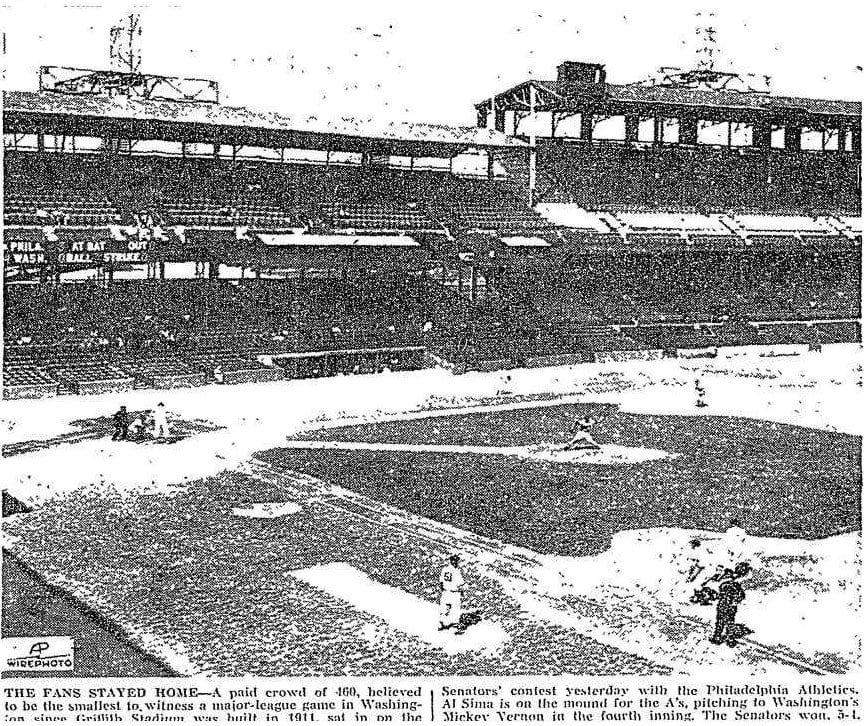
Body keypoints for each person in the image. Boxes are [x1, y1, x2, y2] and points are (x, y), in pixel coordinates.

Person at [709, 562, 752, 647]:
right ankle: (729, 639)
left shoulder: (729, 581)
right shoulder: (735, 583)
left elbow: (721, 589)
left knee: (721, 621)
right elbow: (741, 595)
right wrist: (735, 601)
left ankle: (718, 637)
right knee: (729, 622)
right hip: (730, 605)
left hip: (724, 604)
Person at [439, 554, 466, 634]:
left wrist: (443, 590)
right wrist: (461, 592)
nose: (456, 562)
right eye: (456, 561)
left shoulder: (445, 569)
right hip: (454, 592)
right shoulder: (457, 571)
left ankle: (441, 624)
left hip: (445, 591)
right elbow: (460, 584)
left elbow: (441, 582)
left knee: (444, 608)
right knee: (455, 609)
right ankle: (455, 627)